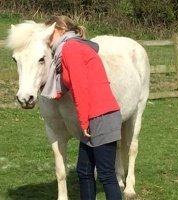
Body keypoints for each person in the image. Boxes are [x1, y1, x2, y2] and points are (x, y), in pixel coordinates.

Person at [41, 15, 122, 200]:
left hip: (102, 115)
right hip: (94, 115)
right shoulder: (67, 50)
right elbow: (68, 83)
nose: (46, 39)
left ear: (60, 30)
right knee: (84, 171)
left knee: (106, 174)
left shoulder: (70, 48)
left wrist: (83, 121)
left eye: (49, 33)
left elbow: (80, 86)